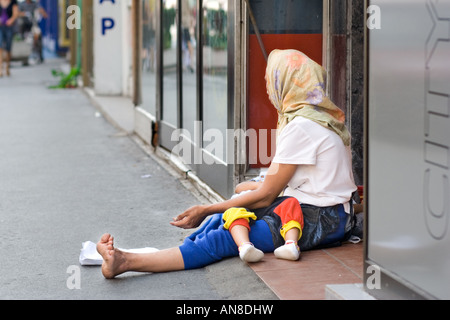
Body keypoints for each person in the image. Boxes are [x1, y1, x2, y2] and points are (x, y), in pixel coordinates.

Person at [97, 49, 357, 279]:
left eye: (271, 81)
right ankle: (170, 254)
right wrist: (239, 195)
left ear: (286, 84)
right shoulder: (320, 120)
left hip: (321, 219)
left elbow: (267, 195)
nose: (268, 89)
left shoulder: (302, 126)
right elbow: (280, 180)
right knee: (225, 217)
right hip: (326, 214)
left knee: (224, 235)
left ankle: (125, 261)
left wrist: (206, 208)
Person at [0, 0, 19, 77]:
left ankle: (7, 66)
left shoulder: (13, 2)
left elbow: (16, 14)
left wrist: (10, 20)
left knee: (8, 48)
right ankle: (0, 68)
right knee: (0, 47)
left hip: (9, 27)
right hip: (0, 27)